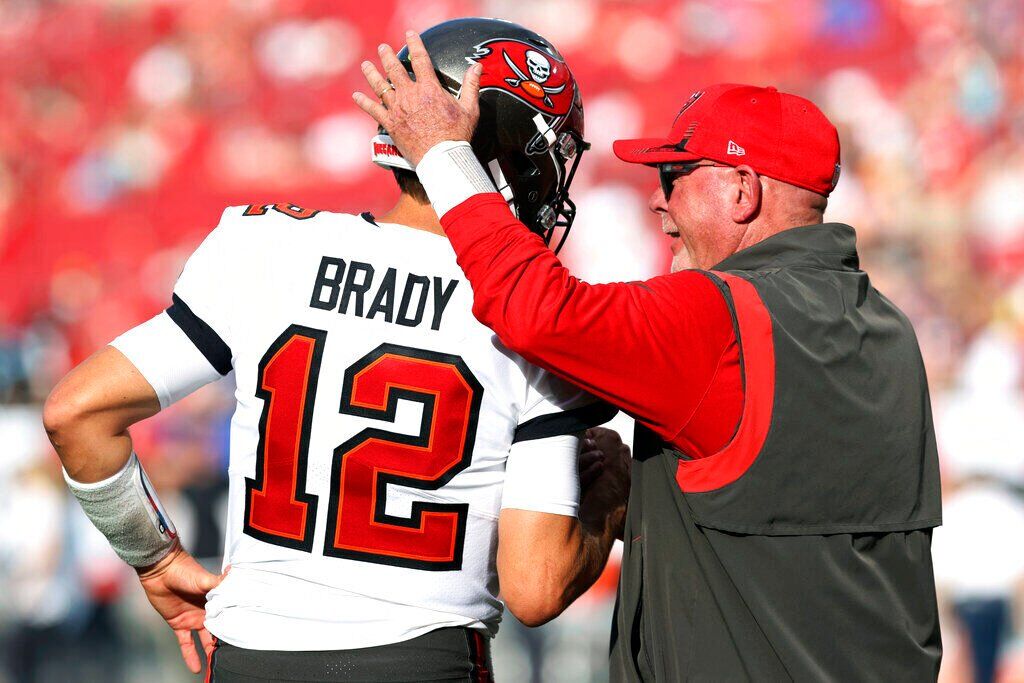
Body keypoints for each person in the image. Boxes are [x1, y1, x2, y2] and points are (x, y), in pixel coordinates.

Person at [42, 18, 629, 683]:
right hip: (421, 660)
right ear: (508, 147)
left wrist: (151, 555)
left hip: (247, 661)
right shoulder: (533, 308)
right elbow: (537, 585)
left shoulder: (266, 246)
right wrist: (612, 497)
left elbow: (76, 412)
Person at [354, 35, 943, 681]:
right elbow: (794, 513)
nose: (658, 203)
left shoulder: (720, 316)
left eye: (674, 179)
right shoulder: (883, 326)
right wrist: (658, 493)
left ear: (742, 190)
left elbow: (533, 309)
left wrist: (444, 157)